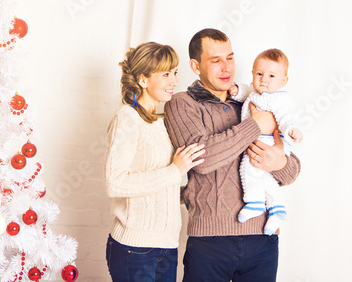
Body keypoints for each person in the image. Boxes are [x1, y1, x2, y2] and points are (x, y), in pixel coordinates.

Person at [163, 29, 301, 282]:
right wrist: (256, 126)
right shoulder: (182, 104)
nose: (226, 68)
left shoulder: (255, 101)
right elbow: (201, 161)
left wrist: (279, 162)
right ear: (195, 66)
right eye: (215, 61)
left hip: (263, 239)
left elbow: (291, 172)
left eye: (230, 58)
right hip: (209, 242)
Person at [105, 42, 205, 282]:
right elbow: (115, 183)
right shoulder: (127, 118)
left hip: (167, 245)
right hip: (135, 249)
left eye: (175, 73)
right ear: (142, 79)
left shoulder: (162, 121)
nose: (173, 81)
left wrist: (191, 193)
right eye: (165, 74)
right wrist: (175, 170)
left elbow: (158, 186)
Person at [229, 48, 303, 235]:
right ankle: (278, 209)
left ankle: (254, 202)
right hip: (259, 140)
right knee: (265, 178)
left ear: (283, 81)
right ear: (253, 74)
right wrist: (237, 91)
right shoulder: (256, 92)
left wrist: (291, 129)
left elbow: (287, 117)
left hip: (270, 143)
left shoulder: (280, 99)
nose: (264, 79)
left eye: (271, 76)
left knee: (248, 166)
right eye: (259, 74)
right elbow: (246, 90)